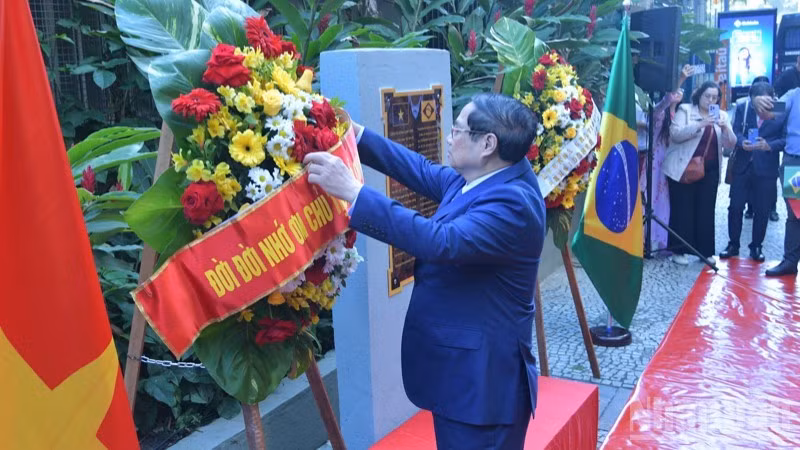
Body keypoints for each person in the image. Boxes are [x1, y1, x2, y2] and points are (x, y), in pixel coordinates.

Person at [303, 93, 545, 447]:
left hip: (484, 391)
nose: (449, 136)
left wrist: (354, 193)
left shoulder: (513, 203)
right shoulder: (487, 175)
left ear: (488, 145)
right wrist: (356, 135)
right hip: (464, 379)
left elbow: (441, 241)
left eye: (457, 130)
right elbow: (419, 169)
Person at [663, 81, 737, 265]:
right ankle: (679, 251)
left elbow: (731, 144)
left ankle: (705, 252)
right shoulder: (686, 110)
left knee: (706, 210)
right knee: (683, 210)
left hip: (710, 169)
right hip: (684, 167)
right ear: (700, 95)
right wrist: (700, 124)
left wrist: (726, 128)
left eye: (715, 97)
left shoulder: (722, 115)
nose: (711, 100)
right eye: (707, 96)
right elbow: (675, 134)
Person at [720, 81, 783, 262]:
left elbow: (787, 138)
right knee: (735, 207)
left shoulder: (781, 110)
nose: (762, 107)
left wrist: (769, 145)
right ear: (751, 98)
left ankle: (756, 246)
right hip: (743, 165)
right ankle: (733, 244)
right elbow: (736, 130)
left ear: (773, 99)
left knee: (762, 210)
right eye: (758, 102)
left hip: (766, 168)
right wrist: (741, 142)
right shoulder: (744, 107)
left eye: (766, 102)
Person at [638, 64, 693, 253]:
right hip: (656, 161)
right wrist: (681, 78)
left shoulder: (682, 115)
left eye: (681, 91)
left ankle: (660, 241)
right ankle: (645, 240)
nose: (678, 93)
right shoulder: (660, 112)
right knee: (651, 199)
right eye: (676, 91)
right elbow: (666, 99)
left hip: (673, 162)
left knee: (666, 203)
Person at [754, 87, 800, 276]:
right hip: (795, 165)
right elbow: (769, 113)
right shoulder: (794, 95)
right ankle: (790, 261)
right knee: (796, 213)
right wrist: (758, 103)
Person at [741, 75, 781, 223]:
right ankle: (752, 207)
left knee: (771, 187)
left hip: (775, 159)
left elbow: (784, 134)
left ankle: (772, 208)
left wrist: (769, 146)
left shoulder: (782, 105)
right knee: (795, 214)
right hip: (792, 163)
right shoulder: (746, 105)